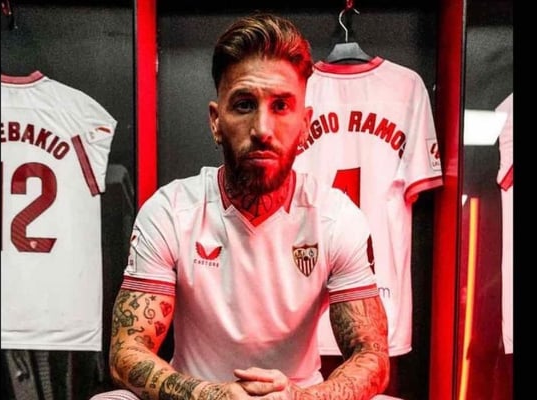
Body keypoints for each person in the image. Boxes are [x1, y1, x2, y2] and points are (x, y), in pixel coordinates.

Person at [91, 12, 389, 400]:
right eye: (245, 105)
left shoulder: (335, 217)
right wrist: (213, 395)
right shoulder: (171, 210)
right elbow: (127, 352)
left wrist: (301, 397)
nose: (263, 129)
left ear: (304, 124)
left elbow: (372, 355)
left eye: (281, 106)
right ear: (216, 121)